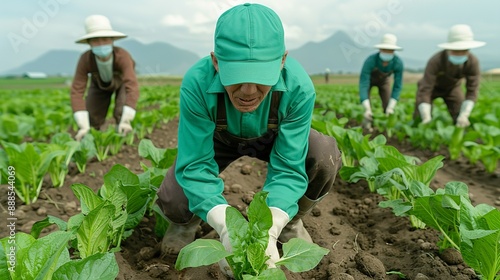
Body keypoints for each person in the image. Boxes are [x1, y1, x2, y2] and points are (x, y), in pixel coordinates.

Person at [156, 3, 342, 275]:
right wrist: (225, 226)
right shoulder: (197, 82)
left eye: (260, 79)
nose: (247, 91)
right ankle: (185, 223)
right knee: (174, 197)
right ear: (216, 62)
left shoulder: (299, 87)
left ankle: (288, 222)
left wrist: (270, 224)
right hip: (219, 139)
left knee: (322, 153)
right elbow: (195, 164)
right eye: (237, 78)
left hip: (271, 138)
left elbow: (289, 167)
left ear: (282, 61)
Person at [71, 15, 139, 141]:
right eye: (96, 40)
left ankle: (124, 136)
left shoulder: (122, 56)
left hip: (122, 83)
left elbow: (132, 86)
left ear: (112, 40)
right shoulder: (86, 59)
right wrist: (83, 125)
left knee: (120, 110)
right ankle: (93, 141)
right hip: (99, 84)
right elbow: (77, 90)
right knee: (92, 116)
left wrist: (126, 119)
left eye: (105, 39)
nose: (101, 44)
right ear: (89, 43)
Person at [413, 24, 485, 127]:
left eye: (464, 51)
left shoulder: (472, 62)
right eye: (456, 51)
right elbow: (425, 89)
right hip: (432, 88)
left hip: (452, 88)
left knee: (460, 118)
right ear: (448, 49)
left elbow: (472, 90)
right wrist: (425, 115)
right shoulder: (436, 61)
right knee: (420, 119)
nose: (460, 54)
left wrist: (465, 114)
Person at [359, 33, 404, 128]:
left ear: (394, 51)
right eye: (385, 50)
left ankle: (385, 127)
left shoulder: (398, 63)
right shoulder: (370, 60)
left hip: (384, 81)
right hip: (369, 81)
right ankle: (366, 125)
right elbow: (363, 83)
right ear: (380, 49)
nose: (387, 52)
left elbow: (397, 86)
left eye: (390, 50)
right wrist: (366, 108)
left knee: (387, 104)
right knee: (367, 108)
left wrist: (391, 107)